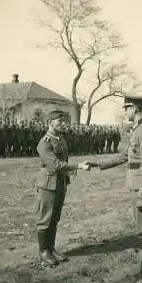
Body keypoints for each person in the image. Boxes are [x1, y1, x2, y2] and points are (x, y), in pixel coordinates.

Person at [86, 95, 142, 283]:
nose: (124, 112)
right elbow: (126, 155)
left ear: (135, 108)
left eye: (126, 108)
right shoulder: (139, 128)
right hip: (139, 186)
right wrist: (98, 163)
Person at [35, 109, 90, 268]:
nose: (63, 124)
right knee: (45, 220)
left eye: (64, 121)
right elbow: (55, 165)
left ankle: (51, 248)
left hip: (60, 184)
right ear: (50, 122)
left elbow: (63, 160)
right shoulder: (44, 142)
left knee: (55, 219)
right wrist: (78, 166)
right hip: (48, 185)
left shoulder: (60, 139)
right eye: (60, 121)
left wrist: (72, 171)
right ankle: (43, 251)